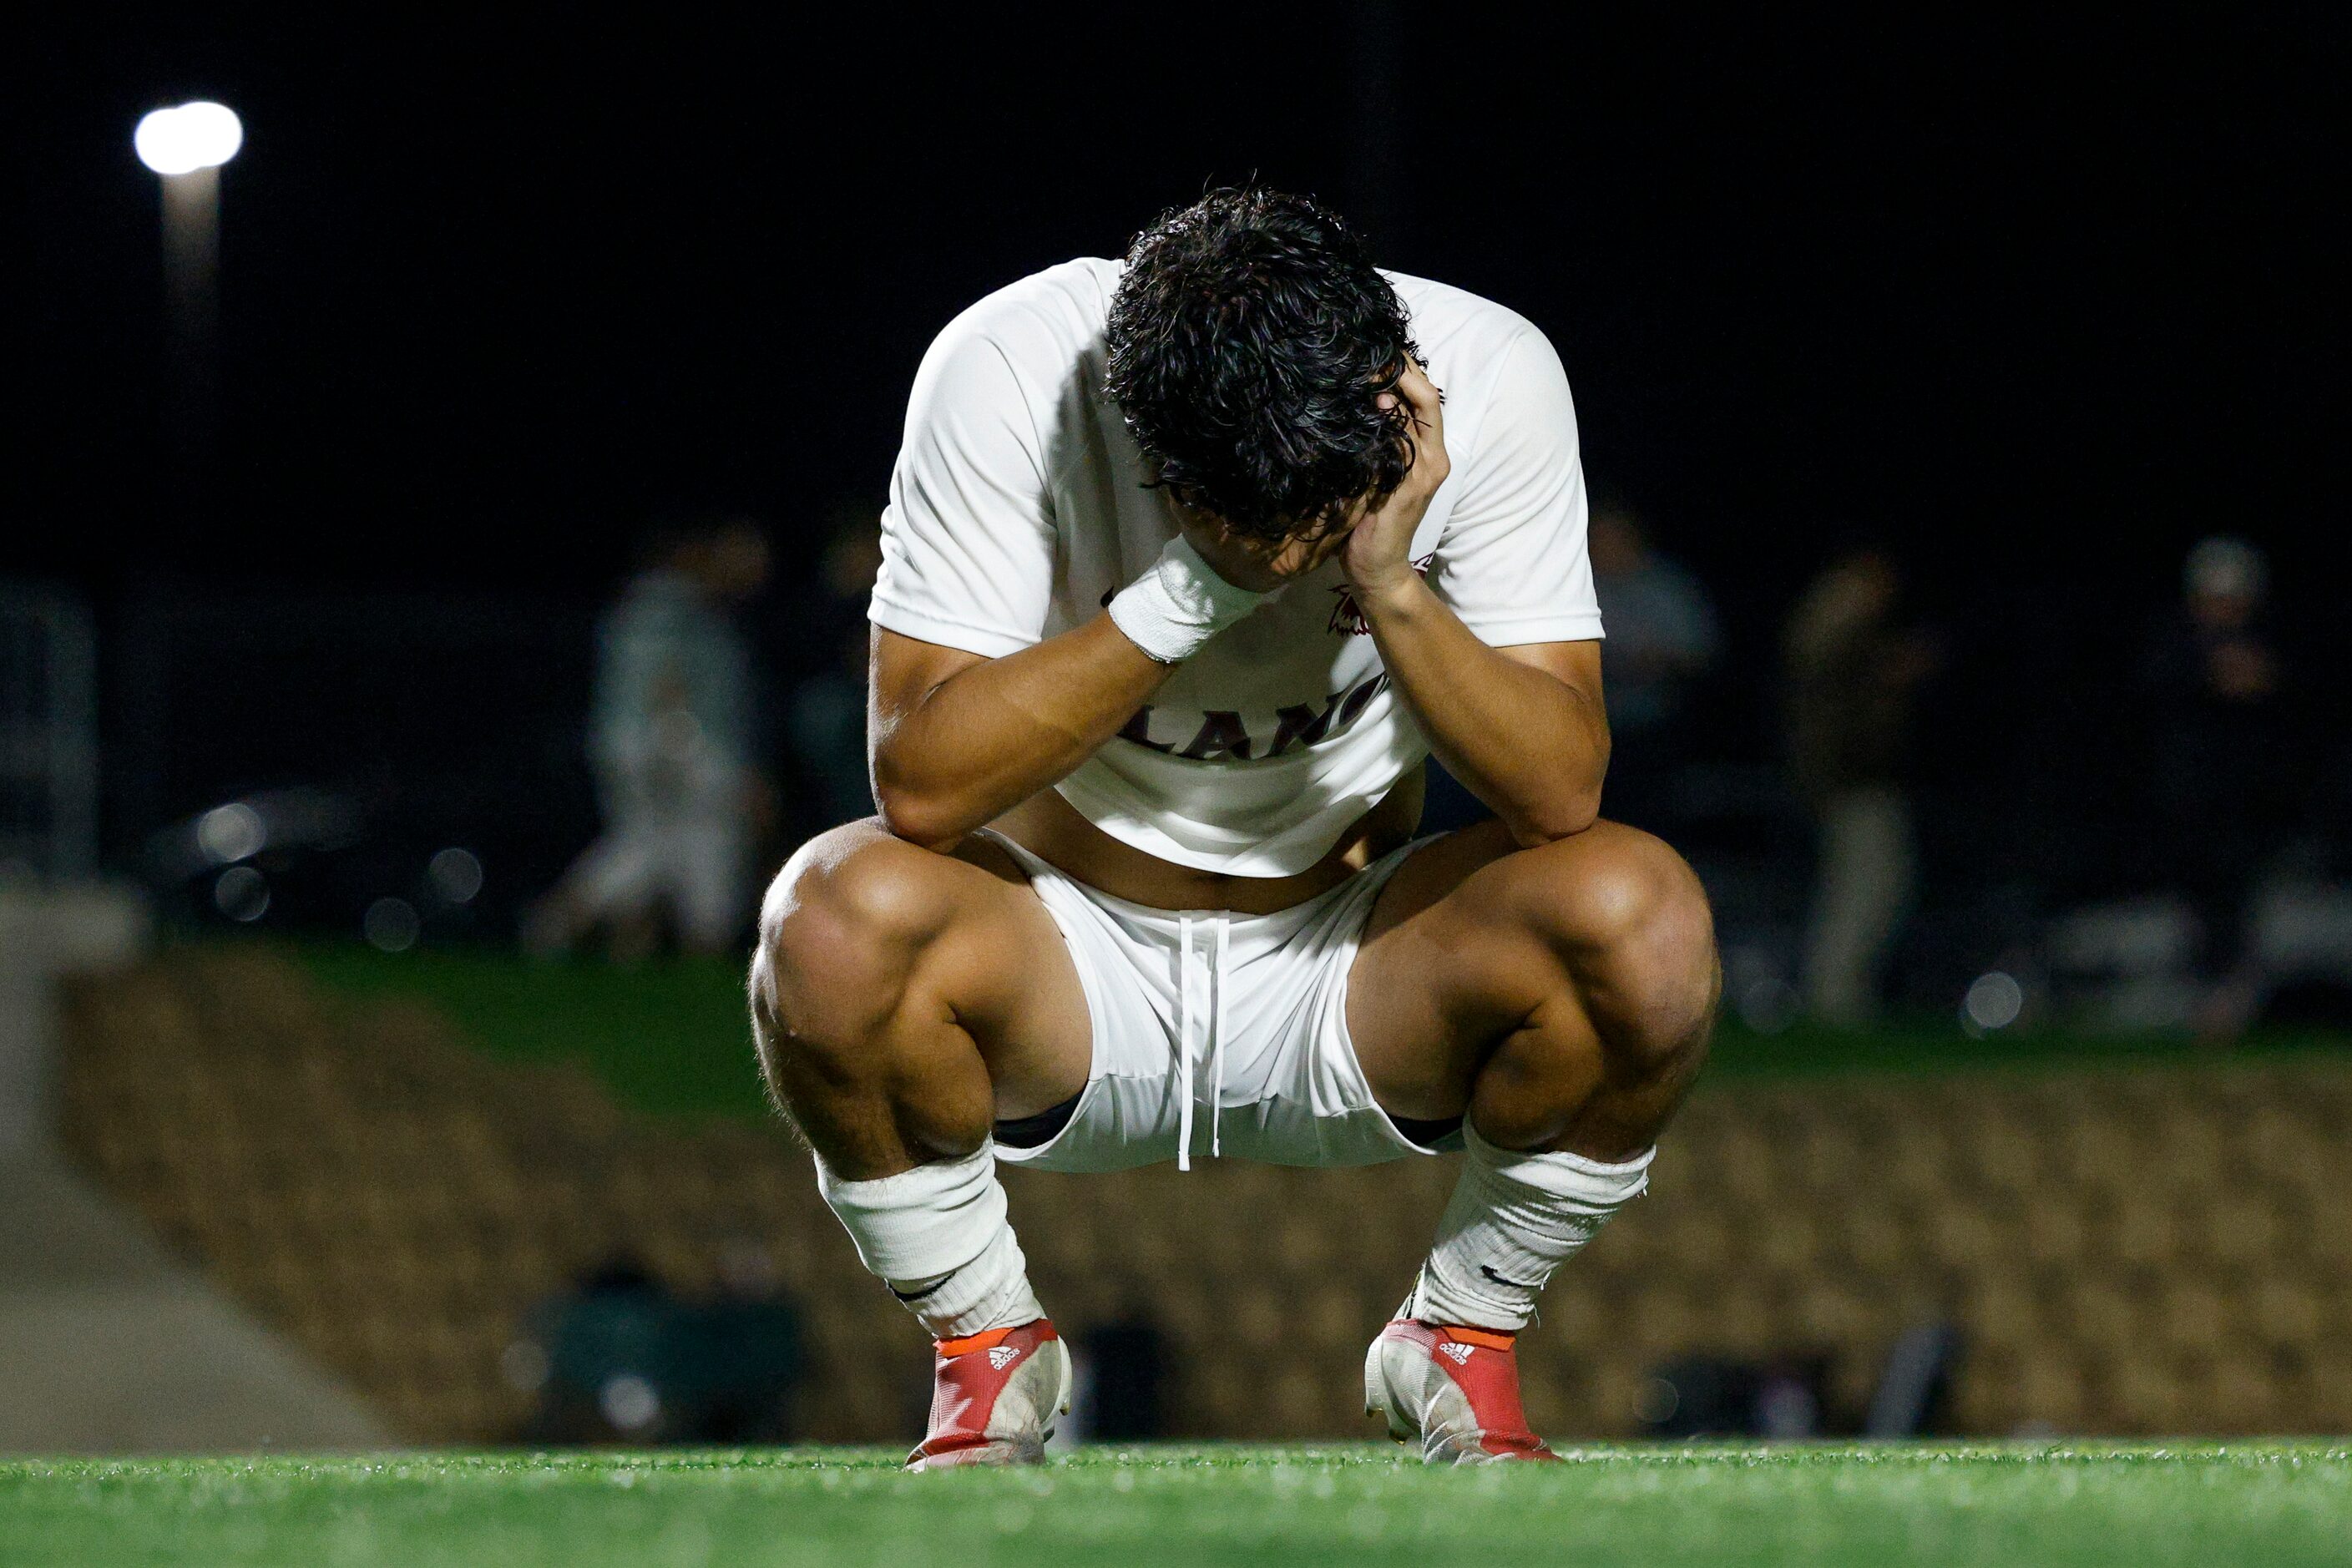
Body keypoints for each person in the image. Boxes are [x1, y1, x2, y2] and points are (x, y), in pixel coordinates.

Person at [748, 190, 1718, 1468]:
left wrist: (1388, 580)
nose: (1296, 546)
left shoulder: (1489, 370)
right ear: (1145, 435)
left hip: (1352, 958)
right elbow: (919, 784)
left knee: (1640, 922)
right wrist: (1200, 584)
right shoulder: (1008, 366)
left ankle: (1463, 1333)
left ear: (1393, 388)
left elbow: (1556, 792)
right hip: (1060, 951)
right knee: (828, 921)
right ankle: (986, 1346)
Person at [529, 517, 771, 959]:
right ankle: (565, 916)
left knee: (656, 845)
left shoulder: (649, 604)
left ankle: (630, 944)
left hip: (638, 746)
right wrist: (683, 757)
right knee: (661, 846)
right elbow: (668, 691)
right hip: (667, 750)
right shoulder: (673, 607)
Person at [1783, 548, 1935, 1026]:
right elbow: (1843, 721)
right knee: (1866, 886)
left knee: (1871, 883)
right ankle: (1833, 997)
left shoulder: (1841, 640)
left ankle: (1839, 994)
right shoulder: (1835, 636)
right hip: (1849, 783)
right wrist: (1893, 673)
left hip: (1854, 782)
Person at [2143, 535, 2289, 1034]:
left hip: (2246, 810)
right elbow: (2161, 690)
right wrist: (2212, 675)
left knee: (2239, 905)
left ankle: (2232, 1000)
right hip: (2186, 806)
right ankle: (2201, 999)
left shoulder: (2269, 644)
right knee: (2195, 907)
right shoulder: (2173, 644)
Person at [1586, 498, 1721, 826]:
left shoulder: (1666, 588)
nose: (1609, 544)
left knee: (1652, 818)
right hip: (1589, 725)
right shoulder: (1576, 584)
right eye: (1601, 536)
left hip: (1655, 727)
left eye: (1617, 535)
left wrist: (1654, 660)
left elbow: (1701, 653)